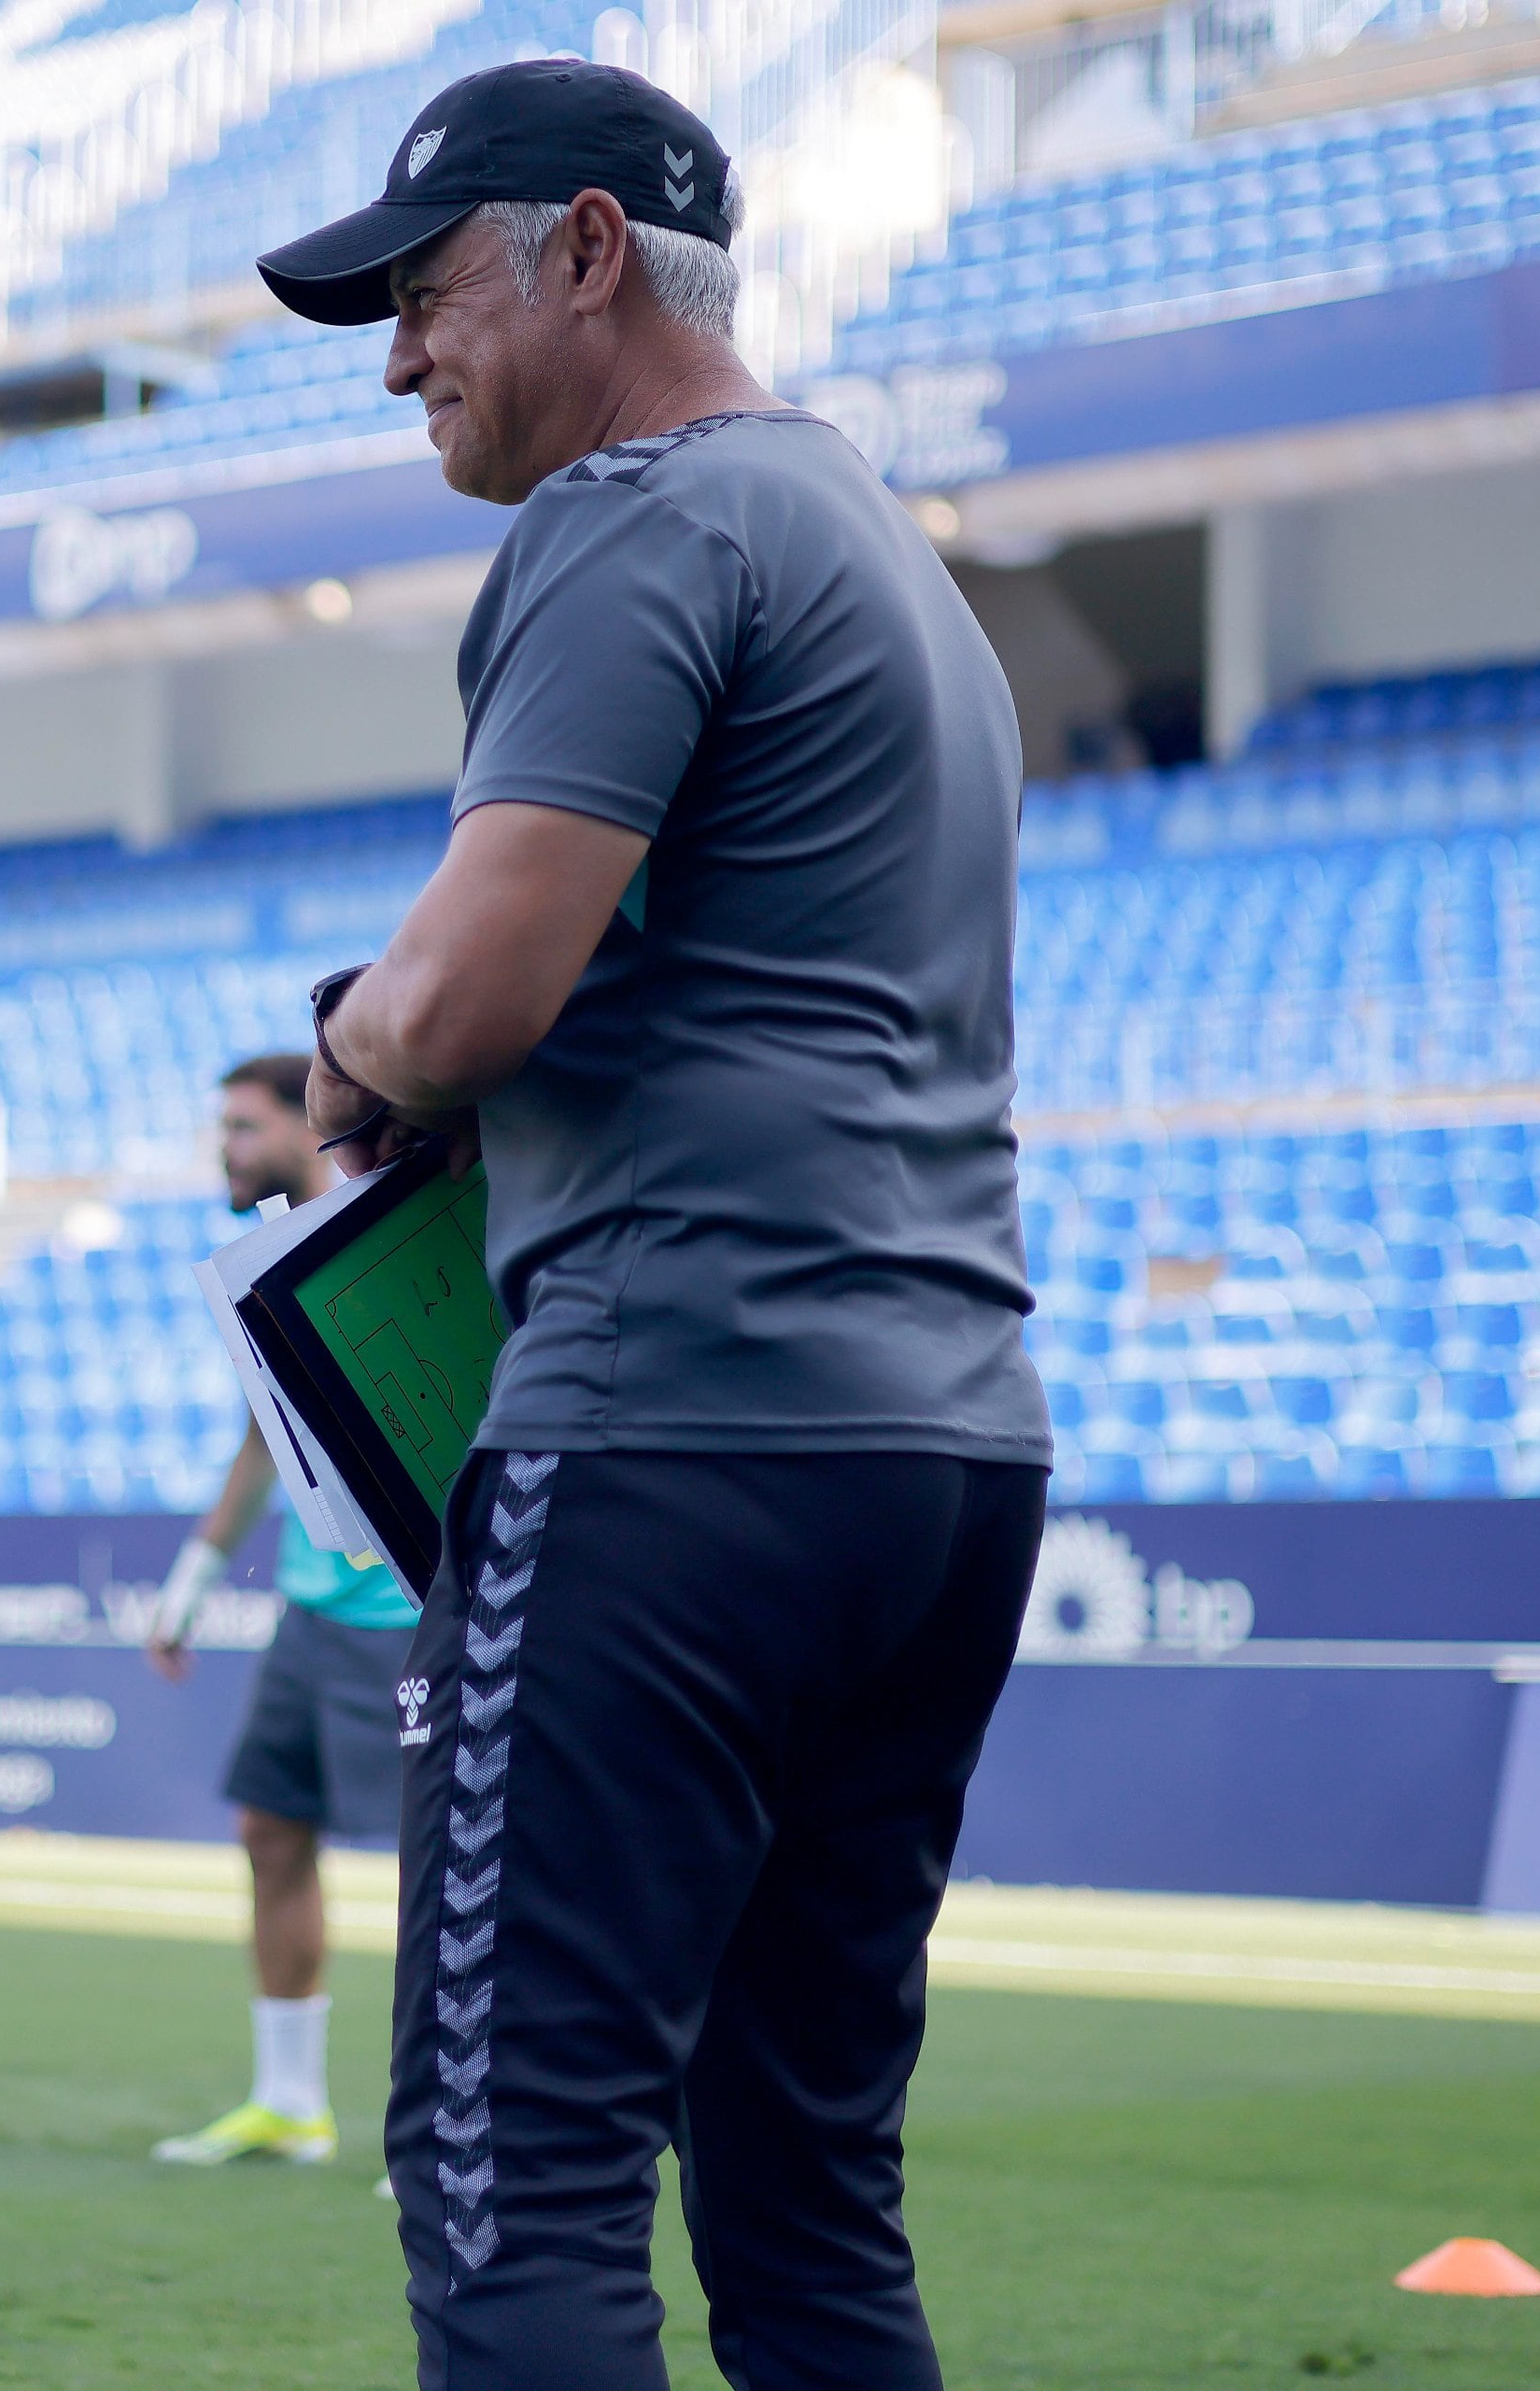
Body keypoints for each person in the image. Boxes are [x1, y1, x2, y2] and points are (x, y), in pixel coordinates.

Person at [256, 60, 1053, 2391]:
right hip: (942, 1450)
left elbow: (461, 1002)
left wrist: (355, 1038)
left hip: (670, 1432)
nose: (399, 360)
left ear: (587, 251)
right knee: (806, 2203)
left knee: (513, 2176)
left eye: (424, 295)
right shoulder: (888, 553)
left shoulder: (633, 516)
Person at [143, 1052, 420, 2169]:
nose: (225, 1147)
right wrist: (190, 1582)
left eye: (243, 1126)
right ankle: (291, 2101)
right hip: (311, 1610)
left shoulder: (379, 1241)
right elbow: (266, 1436)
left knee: (442, 1867)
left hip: (402, 1611)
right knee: (270, 1829)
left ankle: (453, 2128)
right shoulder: (263, 1265)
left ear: (308, 1129)